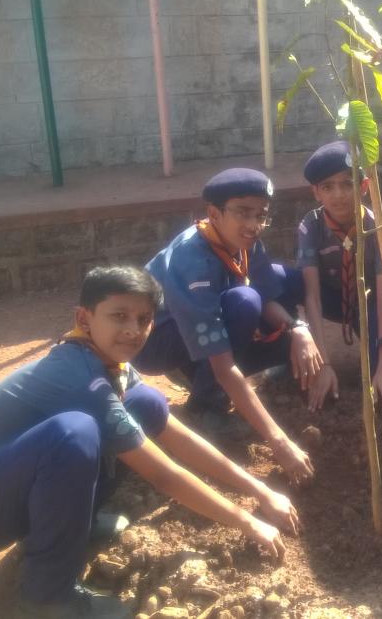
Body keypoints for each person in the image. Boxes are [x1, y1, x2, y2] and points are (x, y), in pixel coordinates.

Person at [0, 267, 298, 619]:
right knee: (74, 433)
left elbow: (179, 437)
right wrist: (247, 522)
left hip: (4, 488)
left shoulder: (107, 361)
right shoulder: (80, 374)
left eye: (144, 319)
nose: (133, 330)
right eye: (119, 316)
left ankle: (76, 525)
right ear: (84, 317)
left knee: (146, 403)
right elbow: (164, 474)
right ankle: (47, 598)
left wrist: (261, 490)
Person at [132, 168, 318, 483]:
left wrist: (298, 328)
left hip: (202, 326)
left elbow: (268, 297)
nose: (254, 225)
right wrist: (279, 441)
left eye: (261, 215)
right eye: (243, 213)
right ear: (214, 214)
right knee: (244, 303)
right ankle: (205, 407)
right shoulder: (193, 261)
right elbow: (222, 364)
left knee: (278, 305)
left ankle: (210, 377)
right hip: (154, 342)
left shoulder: (246, 242)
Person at [295, 141, 382, 413]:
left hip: (366, 300)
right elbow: (312, 296)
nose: (339, 195)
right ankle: (294, 353)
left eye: (347, 184)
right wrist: (324, 364)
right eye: (328, 187)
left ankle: (378, 355)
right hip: (330, 298)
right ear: (316, 192)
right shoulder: (310, 226)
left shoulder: (378, 227)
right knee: (286, 283)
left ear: (363, 186)